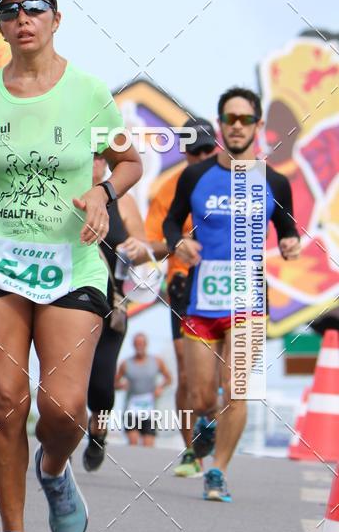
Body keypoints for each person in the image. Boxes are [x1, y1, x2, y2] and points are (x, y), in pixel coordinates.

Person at [0, 0, 142, 532]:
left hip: (73, 260)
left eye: (35, 8)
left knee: (64, 407)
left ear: (56, 18)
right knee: (6, 399)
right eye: (10, 11)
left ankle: (54, 467)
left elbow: (129, 160)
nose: (22, 17)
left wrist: (104, 193)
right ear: (1, 27)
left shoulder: (87, 93)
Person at [164, 87, 300, 501]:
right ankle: (205, 426)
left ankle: (218, 471)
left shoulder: (274, 181)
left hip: (249, 304)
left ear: (258, 126)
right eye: (230, 119)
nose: (237, 126)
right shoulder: (195, 175)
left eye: (245, 119)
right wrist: (178, 244)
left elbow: (288, 229)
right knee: (201, 395)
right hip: (201, 302)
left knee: (236, 388)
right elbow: (171, 223)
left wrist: (291, 243)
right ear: (221, 124)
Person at [143, 118, 218, 476]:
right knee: (186, 372)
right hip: (183, 283)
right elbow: (151, 248)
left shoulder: (237, 181)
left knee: (217, 374)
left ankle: (213, 433)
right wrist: (177, 243)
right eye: (195, 152)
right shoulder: (170, 188)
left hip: (225, 286)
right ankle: (191, 451)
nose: (201, 157)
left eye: (207, 150)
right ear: (185, 153)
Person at [83, 152, 148, 471]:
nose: (95, 163)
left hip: (112, 306)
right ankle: (58, 436)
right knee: (65, 379)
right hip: (68, 298)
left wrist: (137, 247)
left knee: (102, 383)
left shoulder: (123, 201)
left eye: (100, 157)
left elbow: (144, 246)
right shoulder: (63, 194)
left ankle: (98, 431)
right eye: (89, 156)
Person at [115, 333, 172, 446]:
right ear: (133, 345)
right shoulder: (126, 364)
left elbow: (168, 378)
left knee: (148, 445)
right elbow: (114, 383)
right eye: (137, 344)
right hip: (131, 409)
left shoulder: (156, 361)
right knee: (133, 443)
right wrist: (122, 386)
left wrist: (160, 388)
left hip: (149, 409)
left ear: (146, 345)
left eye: (141, 343)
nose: (139, 346)